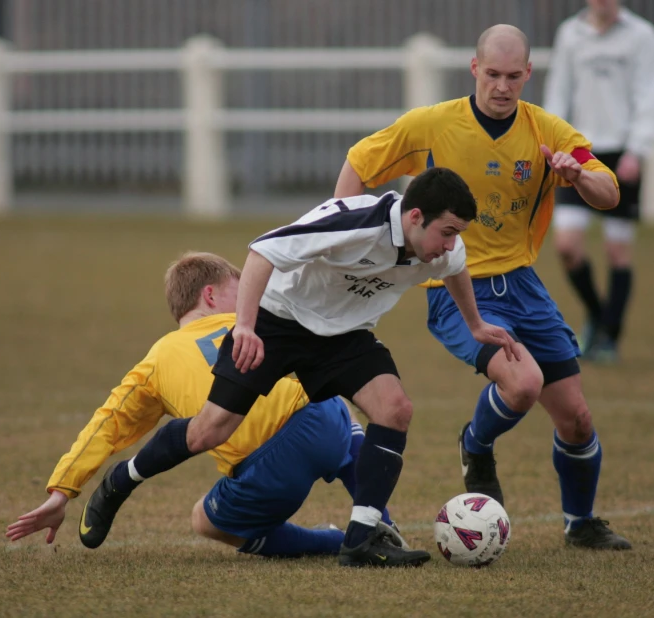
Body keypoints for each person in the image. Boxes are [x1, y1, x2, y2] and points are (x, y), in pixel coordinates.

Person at [72, 167, 520, 568]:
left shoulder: (441, 248)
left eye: (457, 233)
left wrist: (477, 325)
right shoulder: (353, 221)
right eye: (447, 231)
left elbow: (456, 269)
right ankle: (121, 480)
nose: (450, 244)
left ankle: (361, 540)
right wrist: (245, 327)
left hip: (344, 335)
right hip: (279, 321)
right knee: (209, 431)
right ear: (415, 216)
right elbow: (262, 252)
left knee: (395, 409)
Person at [334, 24, 632, 550]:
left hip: (524, 285)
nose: (501, 86)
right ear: (474, 69)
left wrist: (578, 174)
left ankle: (580, 523)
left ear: (528, 75)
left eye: (513, 76)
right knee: (522, 385)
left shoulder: (546, 132)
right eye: (492, 74)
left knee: (578, 417)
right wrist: (349, 241)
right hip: (457, 285)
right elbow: (359, 164)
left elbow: (609, 192)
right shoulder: (433, 124)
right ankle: (476, 446)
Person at [5, 252, 406, 558]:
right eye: (242, 286)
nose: (254, 296)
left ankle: (333, 542)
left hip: (269, 473)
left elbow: (106, 424)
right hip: (326, 426)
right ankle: (378, 524)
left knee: (204, 519)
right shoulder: (263, 323)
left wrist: (61, 492)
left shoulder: (158, 358)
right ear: (210, 294)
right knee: (328, 393)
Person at [543, 0, 654, 363]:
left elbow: (646, 97)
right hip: (578, 153)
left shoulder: (640, 36)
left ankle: (609, 337)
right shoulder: (570, 34)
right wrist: (554, 144)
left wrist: (636, 151)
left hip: (622, 154)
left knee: (617, 250)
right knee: (567, 246)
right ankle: (598, 317)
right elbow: (558, 93)